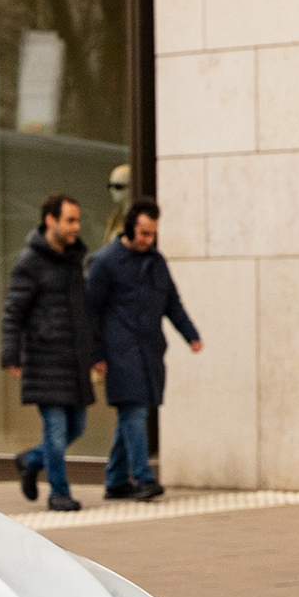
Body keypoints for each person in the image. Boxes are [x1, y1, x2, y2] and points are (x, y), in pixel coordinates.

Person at [87, 197, 203, 500]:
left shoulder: (156, 262)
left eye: (153, 234)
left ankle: (115, 480)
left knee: (132, 412)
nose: (148, 240)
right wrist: (96, 354)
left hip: (150, 350)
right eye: (143, 234)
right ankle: (143, 478)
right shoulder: (105, 263)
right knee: (135, 410)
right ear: (129, 229)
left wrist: (190, 334)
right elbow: (89, 312)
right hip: (119, 351)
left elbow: (172, 303)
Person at [3, 192, 99, 511]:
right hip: (45, 360)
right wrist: (11, 355)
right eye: (70, 220)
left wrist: (95, 354)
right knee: (56, 433)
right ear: (50, 221)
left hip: (73, 362)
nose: (76, 226)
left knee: (78, 427)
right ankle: (59, 492)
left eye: (77, 220)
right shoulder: (30, 263)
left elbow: (84, 313)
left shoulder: (73, 261)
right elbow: (13, 311)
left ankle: (31, 459)